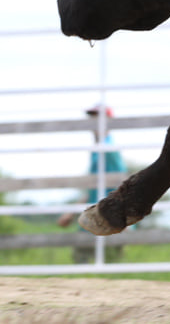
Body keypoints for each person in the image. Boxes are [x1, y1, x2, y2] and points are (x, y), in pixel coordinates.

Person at [58, 105, 126, 261]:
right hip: (96, 216)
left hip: (107, 218)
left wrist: (124, 218)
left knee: (91, 260)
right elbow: (94, 189)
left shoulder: (108, 149)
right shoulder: (99, 149)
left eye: (97, 118)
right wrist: (71, 213)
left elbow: (121, 184)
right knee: (89, 259)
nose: (93, 122)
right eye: (92, 118)